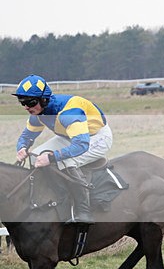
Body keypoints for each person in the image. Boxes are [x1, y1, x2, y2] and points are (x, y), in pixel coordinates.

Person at [13, 74, 113, 224]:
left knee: (66, 160)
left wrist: (51, 158)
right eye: (22, 102)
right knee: (35, 155)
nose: (27, 107)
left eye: (30, 102)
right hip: (69, 136)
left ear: (43, 99)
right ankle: (51, 194)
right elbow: (27, 137)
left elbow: (81, 145)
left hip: (96, 137)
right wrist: (22, 148)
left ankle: (83, 211)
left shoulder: (68, 113)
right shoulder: (38, 112)